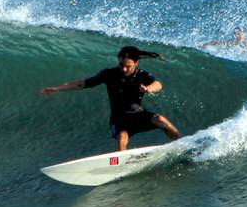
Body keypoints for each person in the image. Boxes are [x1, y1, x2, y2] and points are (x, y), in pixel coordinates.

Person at [39, 45, 181, 151]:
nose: (124, 69)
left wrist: (149, 88)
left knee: (161, 120)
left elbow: (158, 84)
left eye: (128, 66)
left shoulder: (142, 75)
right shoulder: (110, 74)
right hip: (119, 118)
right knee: (121, 139)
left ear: (136, 62)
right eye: (121, 64)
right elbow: (84, 83)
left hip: (138, 114)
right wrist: (58, 88)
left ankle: (182, 145)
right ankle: (122, 167)